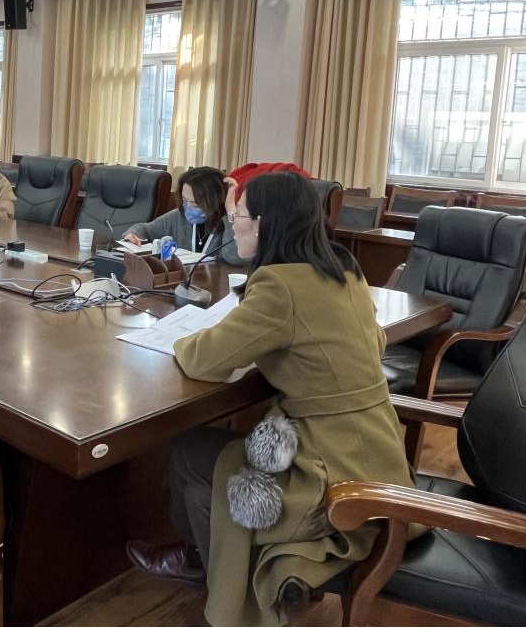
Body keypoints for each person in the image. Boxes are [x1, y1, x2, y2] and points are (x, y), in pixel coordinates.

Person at [126, 172, 414, 627]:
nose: (232, 223)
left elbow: (203, 359)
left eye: (238, 214)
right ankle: (205, 560)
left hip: (330, 473)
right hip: (379, 456)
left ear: (263, 223)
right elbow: (372, 343)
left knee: (191, 454)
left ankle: (219, 578)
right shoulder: (344, 269)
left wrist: (180, 336)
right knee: (208, 452)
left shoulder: (278, 286)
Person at [122, 166, 246, 266]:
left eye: (194, 203)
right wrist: (132, 235)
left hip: (216, 285)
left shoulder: (230, 220)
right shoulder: (178, 216)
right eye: (184, 200)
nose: (187, 207)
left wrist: (230, 210)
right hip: (181, 282)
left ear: (215, 201)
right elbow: (144, 229)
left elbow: (236, 258)